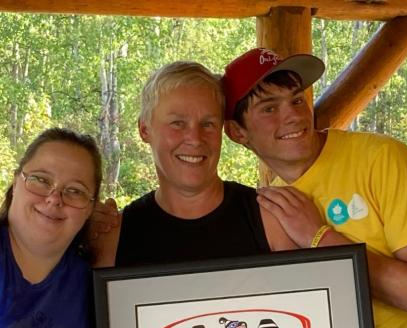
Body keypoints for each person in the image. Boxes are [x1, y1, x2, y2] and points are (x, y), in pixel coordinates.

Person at [222, 47, 407, 328]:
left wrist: (320, 237)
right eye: (269, 108)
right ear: (237, 132)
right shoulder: (266, 206)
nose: (292, 115)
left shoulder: (380, 158)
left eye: (297, 100)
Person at [93, 61, 297, 268]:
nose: (195, 138)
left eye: (208, 124)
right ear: (145, 130)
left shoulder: (270, 218)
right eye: (177, 123)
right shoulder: (114, 238)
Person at [0, 128, 111, 328]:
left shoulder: (85, 280)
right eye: (40, 180)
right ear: (16, 183)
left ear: (91, 209)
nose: (54, 198)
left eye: (75, 191)